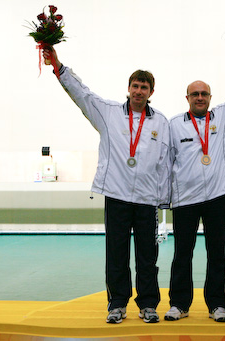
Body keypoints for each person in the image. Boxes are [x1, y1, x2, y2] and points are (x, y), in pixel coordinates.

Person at [42, 47, 170, 324]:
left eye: (144, 87)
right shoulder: (108, 113)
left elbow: (166, 162)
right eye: (135, 86)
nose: (138, 91)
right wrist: (58, 66)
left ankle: (148, 305)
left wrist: (164, 198)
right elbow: (82, 94)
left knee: (148, 257)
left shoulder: (161, 121)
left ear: (151, 92)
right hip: (117, 195)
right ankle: (117, 304)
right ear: (128, 88)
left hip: (148, 200)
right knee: (116, 254)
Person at [165, 40, 225, 323]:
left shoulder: (223, 117)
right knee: (182, 254)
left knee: (217, 253)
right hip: (184, 200)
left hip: (218, 196)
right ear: (187, 98)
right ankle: (179, 304)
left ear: (209, 97)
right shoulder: (173, 125)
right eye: (194, 94)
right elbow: (165, 164)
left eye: (204, 93)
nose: (199, 97)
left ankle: (217, 304)